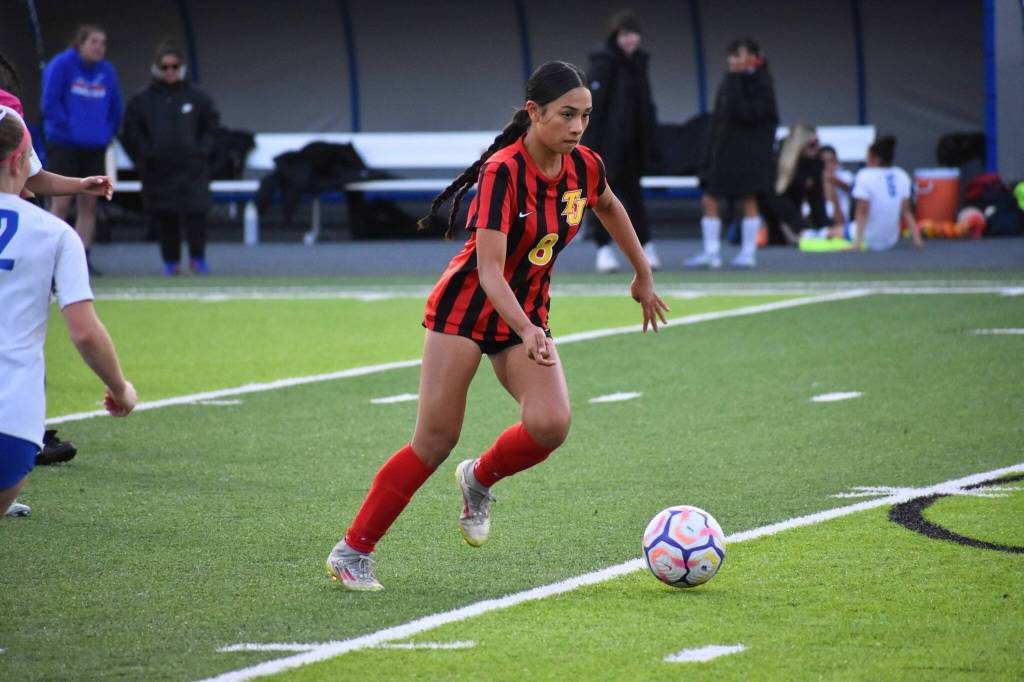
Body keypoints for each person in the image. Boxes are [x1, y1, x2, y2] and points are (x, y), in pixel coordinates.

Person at [325, 61, 670, 591]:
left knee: (551, 425)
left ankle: (479, 477)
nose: (577, 127)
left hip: (524, 317)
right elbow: (488, 272)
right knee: (434, 441)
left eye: (585, 116)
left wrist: (641, 273)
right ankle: (353, 551)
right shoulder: (503, 173)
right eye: (566, 115)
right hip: (466, 310)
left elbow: (608, 205)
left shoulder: (584, 165)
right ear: (534, 113)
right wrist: (530, 329)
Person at [0, 110, 136, 519]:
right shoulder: (56, 234)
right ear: (19, 161)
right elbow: (83, 332)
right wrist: (121, 389)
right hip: (11, 418)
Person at [122, 42, 219, 275]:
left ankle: (198, 259)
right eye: (165, 67)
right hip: (158, 168)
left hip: (192, 167)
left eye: (174, 66)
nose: (170, 71)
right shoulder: (142, 99)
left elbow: (212, 127)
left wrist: (202, 150)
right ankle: (171, 263)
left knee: (196, 214)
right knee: (165, 216)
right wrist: (145, 154)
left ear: (182, 67)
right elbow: (131, 132)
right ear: (157, 68)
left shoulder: (198, 97)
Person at [686, 37, 778, 269]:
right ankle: (712, 253)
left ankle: (748, 254)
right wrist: (708, 153)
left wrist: (736, 80)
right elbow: (719, 120)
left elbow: (748, 115)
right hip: (722, 152)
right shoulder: (728, 82)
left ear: (755, 58)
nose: (733, 61)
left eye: (739, 55)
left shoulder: (763, 83)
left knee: (748, 199)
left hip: (749, 156)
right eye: (732, 55)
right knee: (709, 198)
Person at [582, 10, 661, 273]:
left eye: (634, 34)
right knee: (602, 199)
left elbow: (646, 107)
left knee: (635, 199)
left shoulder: (640, 63)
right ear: (616, 36)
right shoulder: (603, 61)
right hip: (606, 146)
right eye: (625, 34)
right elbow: (595, 107)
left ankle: (646, 249)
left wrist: (650, 143)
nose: (630, 40)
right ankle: (603, 251)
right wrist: (590, 146)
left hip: (633, 147)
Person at [41, 24, 123, 275]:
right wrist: (69, 129)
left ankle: (82, 258)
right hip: (65, 145)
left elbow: (115, 107)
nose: (99, 47)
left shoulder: (106, 71)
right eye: (94, 42)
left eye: (103, 43)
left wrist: (105, 133)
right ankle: (52, 259)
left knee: (89, 205)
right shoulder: (62, 65)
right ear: (80, 43)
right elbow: (50, 102)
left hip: (94, 146)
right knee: (61, 203)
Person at [849, 135, 922, 250]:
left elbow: (862, 210)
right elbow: (906, 211)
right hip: (890, 240)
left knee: (831, 231)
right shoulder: (901, 175)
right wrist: (917, 239)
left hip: (868, 238)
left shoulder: (865, 175)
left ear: (875, 158)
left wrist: (856, 243)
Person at [763, 123, 828, 244]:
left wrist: (825, 228)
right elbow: (771, 197)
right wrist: (800, 227)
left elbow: (817, 199)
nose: (816, 148)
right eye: (812, 144)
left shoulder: (815, 164)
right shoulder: (776, 161)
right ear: (799, 144)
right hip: (770, 216)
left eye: (817, 144)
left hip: (793, 217)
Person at [820, 144, 853, 229]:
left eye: (831, 161)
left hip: (842, 221)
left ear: (836, 162)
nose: (827, 165)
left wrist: (830, 179)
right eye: (824, 162)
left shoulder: (845, 175)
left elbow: (850, 187)